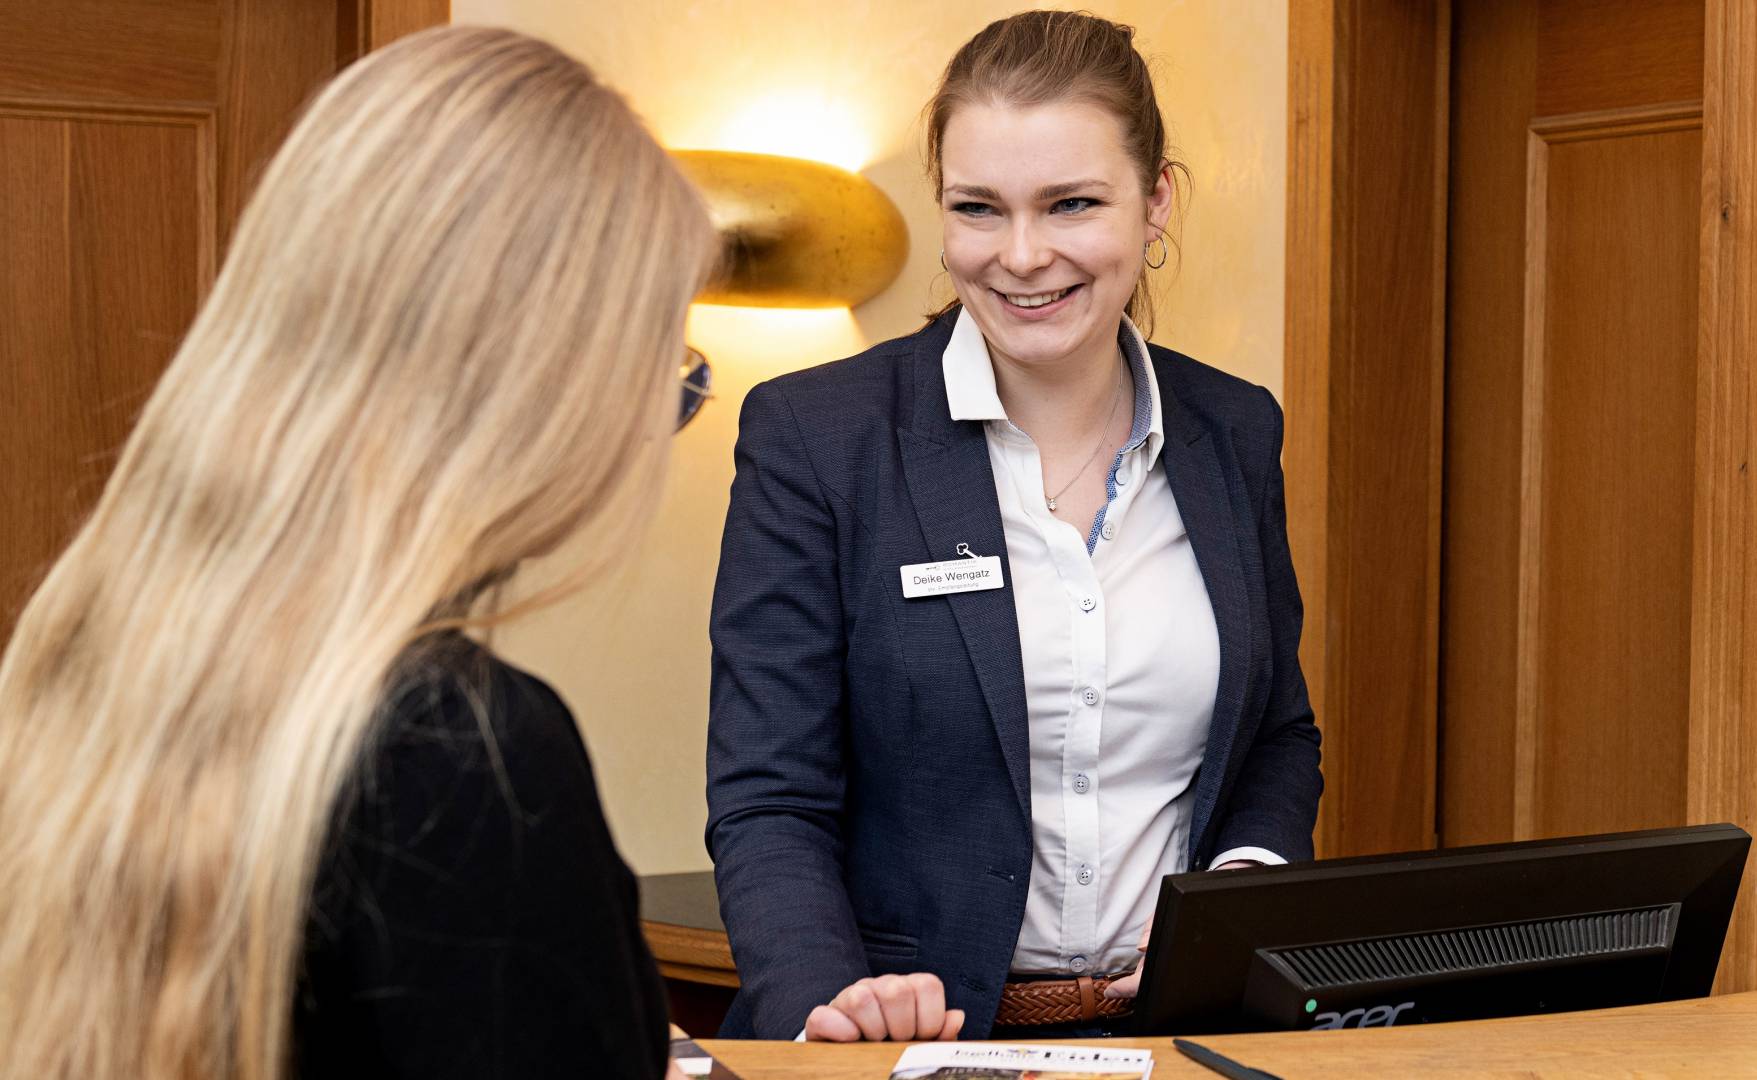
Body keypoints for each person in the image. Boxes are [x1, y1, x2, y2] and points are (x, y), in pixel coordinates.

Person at [0, 26, 714, 1080]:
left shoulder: (81, 664)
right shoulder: (467, 754)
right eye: (668, 365)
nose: (661, 417)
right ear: (545, 382)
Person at [706, 10, 1322, 1043]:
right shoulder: (819, 437)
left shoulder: (1233, 431)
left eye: (1072, 204)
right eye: (979, 210)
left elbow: (1273, 734)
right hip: (912, 1050)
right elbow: (771, 799)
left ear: (1156, 200)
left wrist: (1237, 906)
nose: (1023, 256)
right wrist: (833, 1005)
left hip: (1178, 1040)